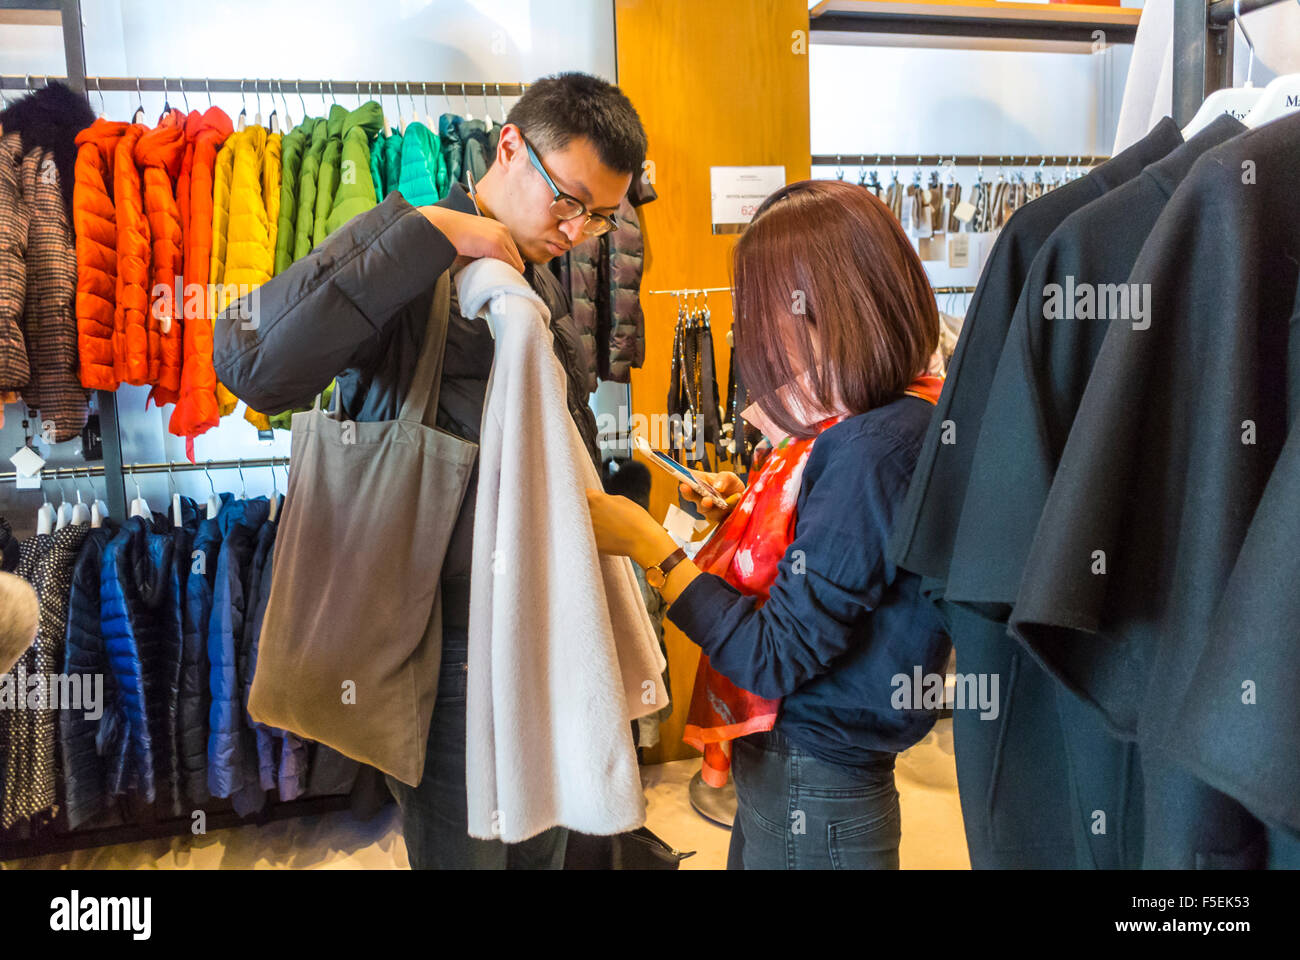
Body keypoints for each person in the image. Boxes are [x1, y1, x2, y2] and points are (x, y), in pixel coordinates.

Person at [214, 72, 648, 869]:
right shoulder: (414, 252)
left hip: (541, 621)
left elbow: (559, 444)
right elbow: (249, 360)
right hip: (447, 643)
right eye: (569, 200)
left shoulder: (540, 275)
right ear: (511, 146)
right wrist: (427, 236)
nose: (578, 228)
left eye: (599, 217)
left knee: (543, 848)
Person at [586, 178, 952, 870]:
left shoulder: (871, 450)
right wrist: (755, 510)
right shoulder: (894, 414)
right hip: (811, 773)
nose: (752, 330)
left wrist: (653, 549)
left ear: (820, 309)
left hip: (818, 780)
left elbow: (774, 655)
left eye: (762, 308)